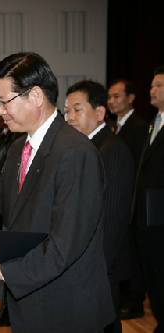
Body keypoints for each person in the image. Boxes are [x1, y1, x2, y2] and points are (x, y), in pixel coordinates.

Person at [0, 52, 114, 332]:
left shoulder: (75, 153)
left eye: (5, 102)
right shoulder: (20, 147)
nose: (0, 111)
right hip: (31, 301)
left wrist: (6, 271)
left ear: (35, 96)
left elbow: (65, 246)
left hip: (66, 307)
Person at [65, 80, 135, 333]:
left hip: (101, 266)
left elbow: (113, 218)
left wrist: (94, 269)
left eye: (77, 109)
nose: (69, 117)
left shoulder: (111, 150)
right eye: (67, 110)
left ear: (100, 112)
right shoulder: (86, 148)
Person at [107, 79, 149, 319]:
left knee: (134, 252)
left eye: (117, 96)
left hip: (133, 199)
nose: (112, 101)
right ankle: (125, 297)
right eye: (110, 97)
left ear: (131, 98)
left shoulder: (140, 126)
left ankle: (135, 300)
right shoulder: (114, 126)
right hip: (120, 199)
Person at [133, 65, 164, 333]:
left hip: (161, 217)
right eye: (152, 85)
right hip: (147, 216)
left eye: (158, 86)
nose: (151, 90)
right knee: (152, 274)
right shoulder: (154, 121)